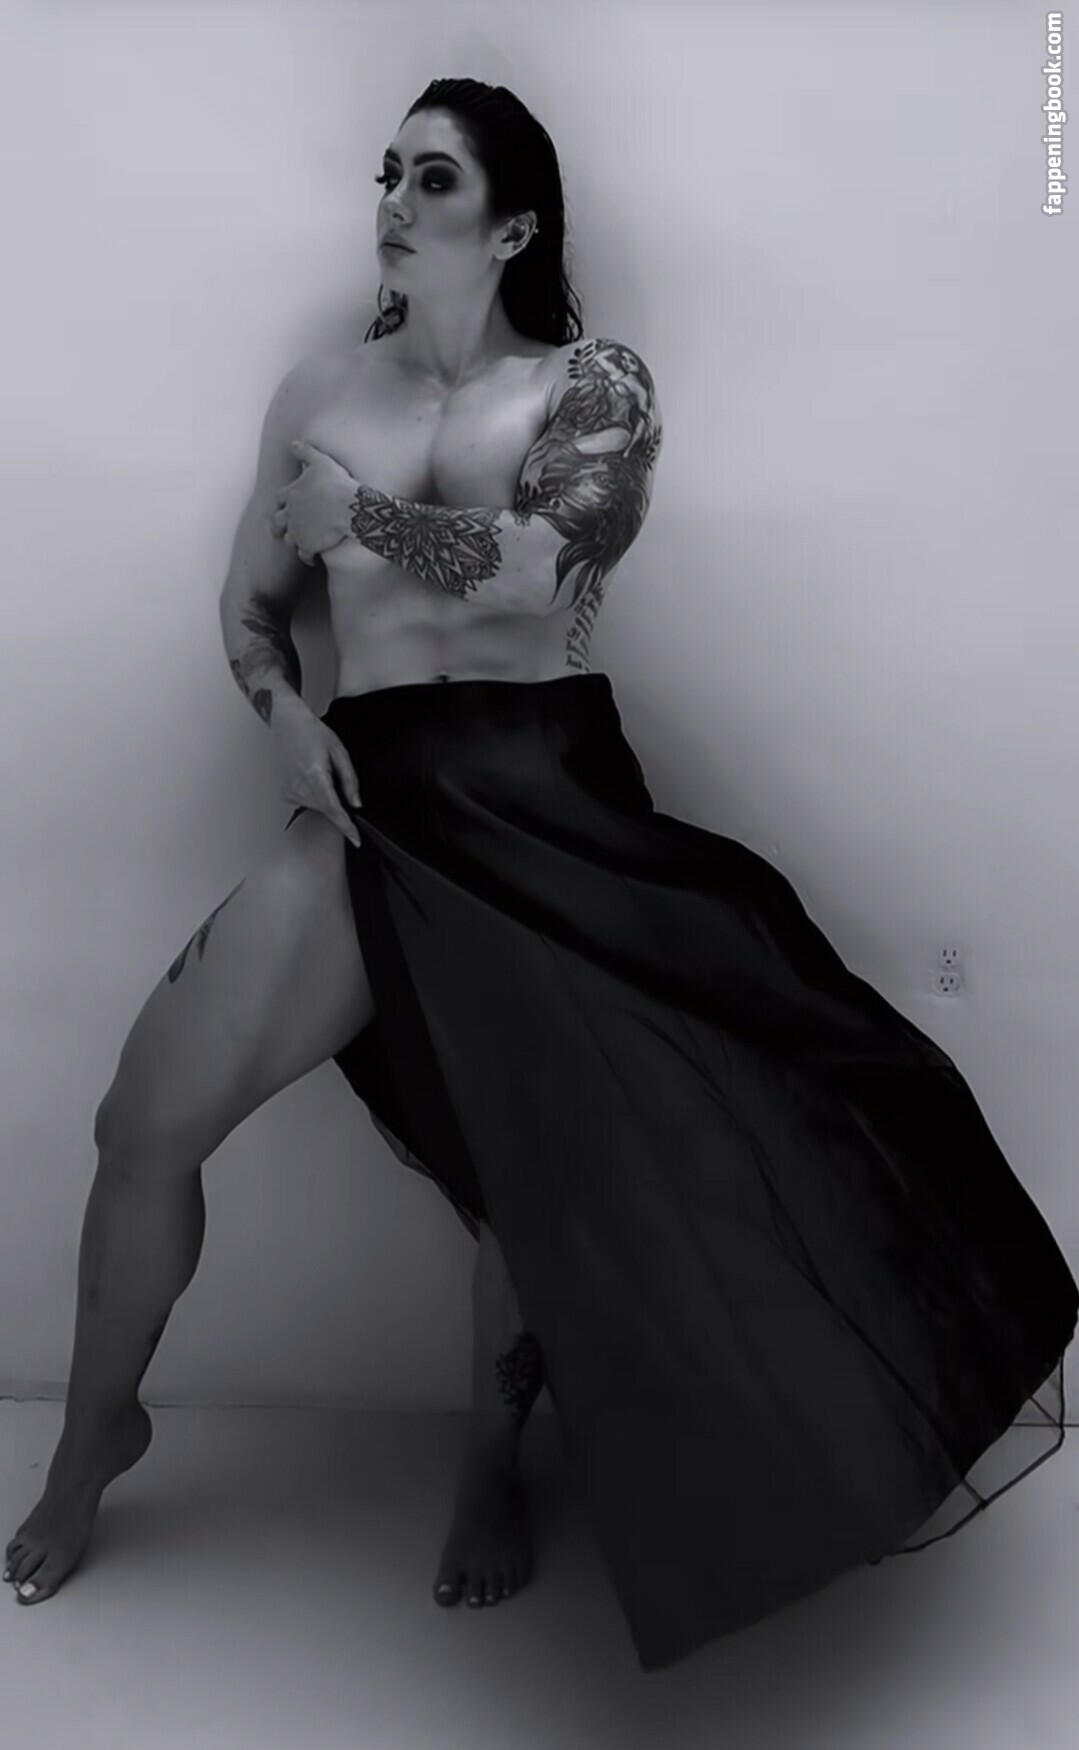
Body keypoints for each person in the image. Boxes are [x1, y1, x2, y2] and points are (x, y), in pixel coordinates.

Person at [5, 78, 1077, 1676]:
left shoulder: (594, 383)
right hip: (373, 796)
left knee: (530, 1173)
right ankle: (99, 1434)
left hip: (544, 798)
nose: (392, 200)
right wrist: (281, 712)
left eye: (432, 178)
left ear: (512, 225)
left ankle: (491, 1463)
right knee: (142, 1119)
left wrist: (359, 514)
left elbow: (544, 565)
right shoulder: (319, 392)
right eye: (386, 171)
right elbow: (249, 606)